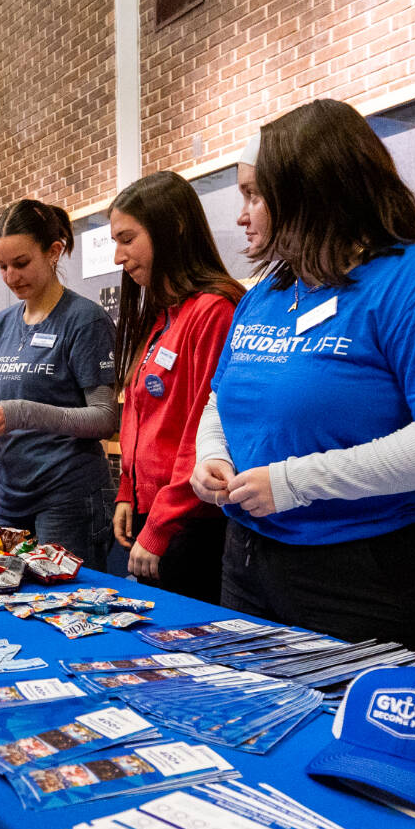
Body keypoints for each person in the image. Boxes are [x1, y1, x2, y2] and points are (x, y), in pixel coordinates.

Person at [192, 100, 415, 664]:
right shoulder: (269, 293)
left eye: (255, 195)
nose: (242, 215)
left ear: (311, 190)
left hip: (374, 575)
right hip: (251, 559)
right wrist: (212, 455)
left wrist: (295, 482)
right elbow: (224, 399)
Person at [0, 199, 118, 567]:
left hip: (67, 493)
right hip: (8, 493)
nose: (10, 277)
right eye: (2, 266)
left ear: (54, 252)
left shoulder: (85, 321)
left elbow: (104, 418)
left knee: (68, 605)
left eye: (21, 264)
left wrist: (23, 413)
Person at [105, 172, 244, 600]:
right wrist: (128, 490)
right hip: (153, 511)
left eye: (127, 239)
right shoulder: (164, 316)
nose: (117, 256)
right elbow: (140, 413)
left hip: (193, 522)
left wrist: (163, 522)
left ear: (173, 228)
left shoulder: (213, 311)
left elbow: (201, 430)